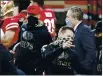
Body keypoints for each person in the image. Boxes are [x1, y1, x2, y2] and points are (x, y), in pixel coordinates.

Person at [15, 5, 52, 75]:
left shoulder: (43, 31)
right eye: (29, 14)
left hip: (35, 67)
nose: (31, 17)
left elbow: (48, 47)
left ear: (38, 16)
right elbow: (19, 41)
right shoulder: (23, 26)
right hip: (21, 64)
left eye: (33, 15)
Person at [66, 6, 97, 74]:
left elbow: (91, 51)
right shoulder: (77, 30)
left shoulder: (84, 30)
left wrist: (83, 68)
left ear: (74, 17)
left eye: (68, 17)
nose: (66, 19)